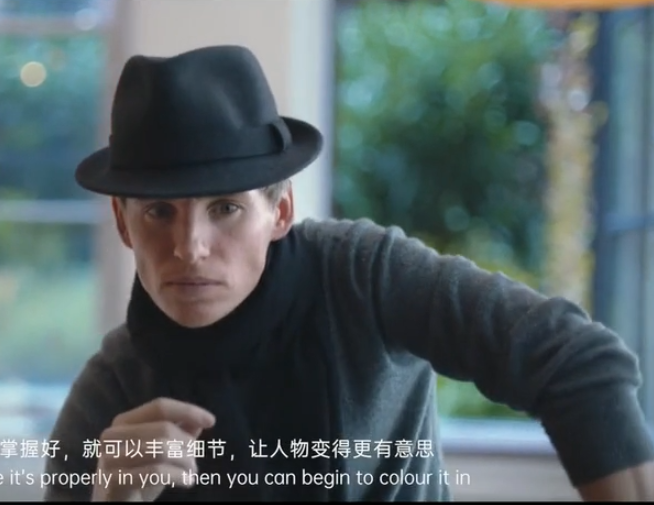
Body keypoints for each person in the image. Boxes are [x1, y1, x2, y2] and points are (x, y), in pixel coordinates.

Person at [42, 45, 654, 502]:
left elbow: (577, 361)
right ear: (123, 224)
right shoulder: (109, 394)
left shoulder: (360, 277)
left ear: (280, 212)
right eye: (158, 213)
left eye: (225, 208)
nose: (190, 247)